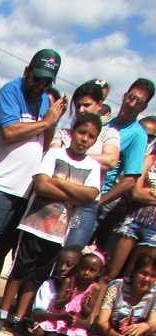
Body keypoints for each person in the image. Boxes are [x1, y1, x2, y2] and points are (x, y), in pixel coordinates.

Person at [0, 49, 66, 316]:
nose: (40, 85)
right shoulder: (10, 92)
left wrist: (51, 124)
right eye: (37, 78)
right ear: (27, 72)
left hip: (24, 192)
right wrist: (46, 122)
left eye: (46, 81)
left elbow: (44, 143)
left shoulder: (45, 102)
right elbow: (10, 132)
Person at [0, 114, 101, 334]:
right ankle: (2, 313)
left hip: (59, 233)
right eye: (81, 132)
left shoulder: (92, 166)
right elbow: (41, 185)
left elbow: (90, 195)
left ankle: (19, 317)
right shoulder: (55, 154)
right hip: (35, 224)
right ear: (72, 132)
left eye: (90, 136)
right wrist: (73, 193)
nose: (84, 139)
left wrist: (56, 181)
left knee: (38, 276)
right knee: (19, 270)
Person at [49, 81, 120, 247]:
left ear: (99, 105)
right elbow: (53, 157)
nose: (81, 109)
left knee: (70, 255)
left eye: (86, 105)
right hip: (56, 198)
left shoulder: (109, 134)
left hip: (86, 204)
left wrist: (73, 154)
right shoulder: (64, 133)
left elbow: (110, 160)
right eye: (78, 105)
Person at [95, 79, 155, 250]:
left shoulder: (138, 135)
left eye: (139, 102)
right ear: (124, 96)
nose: (132, 103)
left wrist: (100, 202)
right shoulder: (105, 123)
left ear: (144, 107)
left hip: (98, 197)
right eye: (131, 97)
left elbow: (130, 180)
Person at [108, 150, 156, 280]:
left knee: (136, 276)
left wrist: (148, 192)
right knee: (111, 272)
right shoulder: (149, 159)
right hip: (133, 220)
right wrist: (144, 193)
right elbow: (136, 192)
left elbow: (141, 192)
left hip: (154, 231)